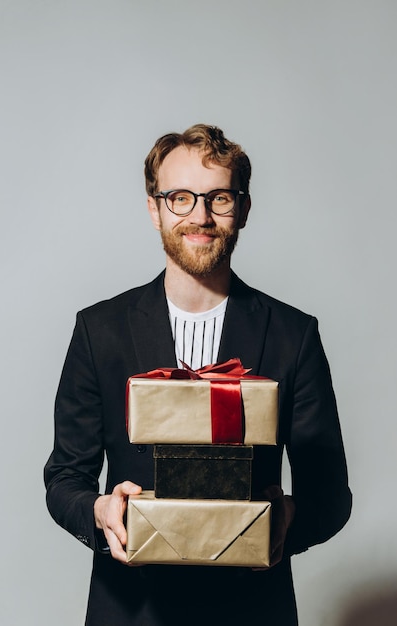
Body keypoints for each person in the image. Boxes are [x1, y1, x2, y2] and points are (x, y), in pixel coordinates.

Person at [44, 124, 352, 625]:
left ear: (244, 209)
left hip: (251, 608)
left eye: (219, 199)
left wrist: (287, 518)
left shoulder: (293, 335)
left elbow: (331, 495)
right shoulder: (100, 331)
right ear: (154, 208)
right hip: (131, 608)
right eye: (180, 198)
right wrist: (101, 511)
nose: (200, 217)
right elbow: (64, 478)